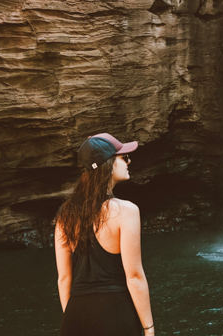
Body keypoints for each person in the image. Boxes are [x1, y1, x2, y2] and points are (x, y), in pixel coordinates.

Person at [54, 133, 155, 336]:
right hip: (115, 315)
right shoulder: (126, 211)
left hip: (75, 316)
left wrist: (73, 318)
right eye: (124, 157)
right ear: (108, 164)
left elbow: (64, 279)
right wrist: (149, 329)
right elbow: (134, 277)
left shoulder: (65, 214)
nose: (129, 161)